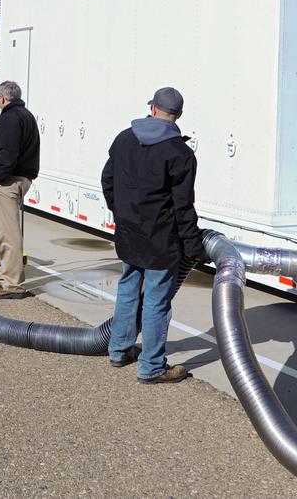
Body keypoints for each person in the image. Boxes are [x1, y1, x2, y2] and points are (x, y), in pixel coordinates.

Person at [101, 86, 203, 384]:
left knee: (128, 290)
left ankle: (118, 351)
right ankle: (152, 367)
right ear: (178, 115)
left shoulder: (124, 138)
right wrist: (193, 245)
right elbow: (183, 206)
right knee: (157, 302)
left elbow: (107, 180)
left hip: (129, 233)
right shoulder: (181, 153)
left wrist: (121, 214)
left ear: (153, 109)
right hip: (161, 240)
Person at [0, 80, 40, 299]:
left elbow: (7, 153)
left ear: (2, 99)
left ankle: (11, 285)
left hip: (8, 181)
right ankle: (3, 278)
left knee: (7, 234)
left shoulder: (10, 118)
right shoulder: (26, 115)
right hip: (20, 178)